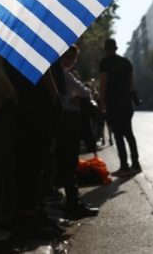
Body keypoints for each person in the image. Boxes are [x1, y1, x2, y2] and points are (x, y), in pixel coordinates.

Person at [53, 45, 100, 219]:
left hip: (61, 122)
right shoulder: (63, 74)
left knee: (67, 164)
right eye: (70, 57)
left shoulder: (58, 73)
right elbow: (86, 92)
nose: (72, 61)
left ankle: (73, 202)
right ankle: (73, 204)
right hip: (67, 123)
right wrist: (73, 99)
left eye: (74, 58)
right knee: (69, 163)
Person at [98, 38, 140, 176]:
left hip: (114, 103)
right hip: (126, 102)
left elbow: (103, 84)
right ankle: (136, 164)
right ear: (116, 48)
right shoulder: (126, 62)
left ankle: (124, 166)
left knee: (118, 135)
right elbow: (131, 83)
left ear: (105, 49)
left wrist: (102, 102)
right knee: (129, 133)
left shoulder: (105, 63)